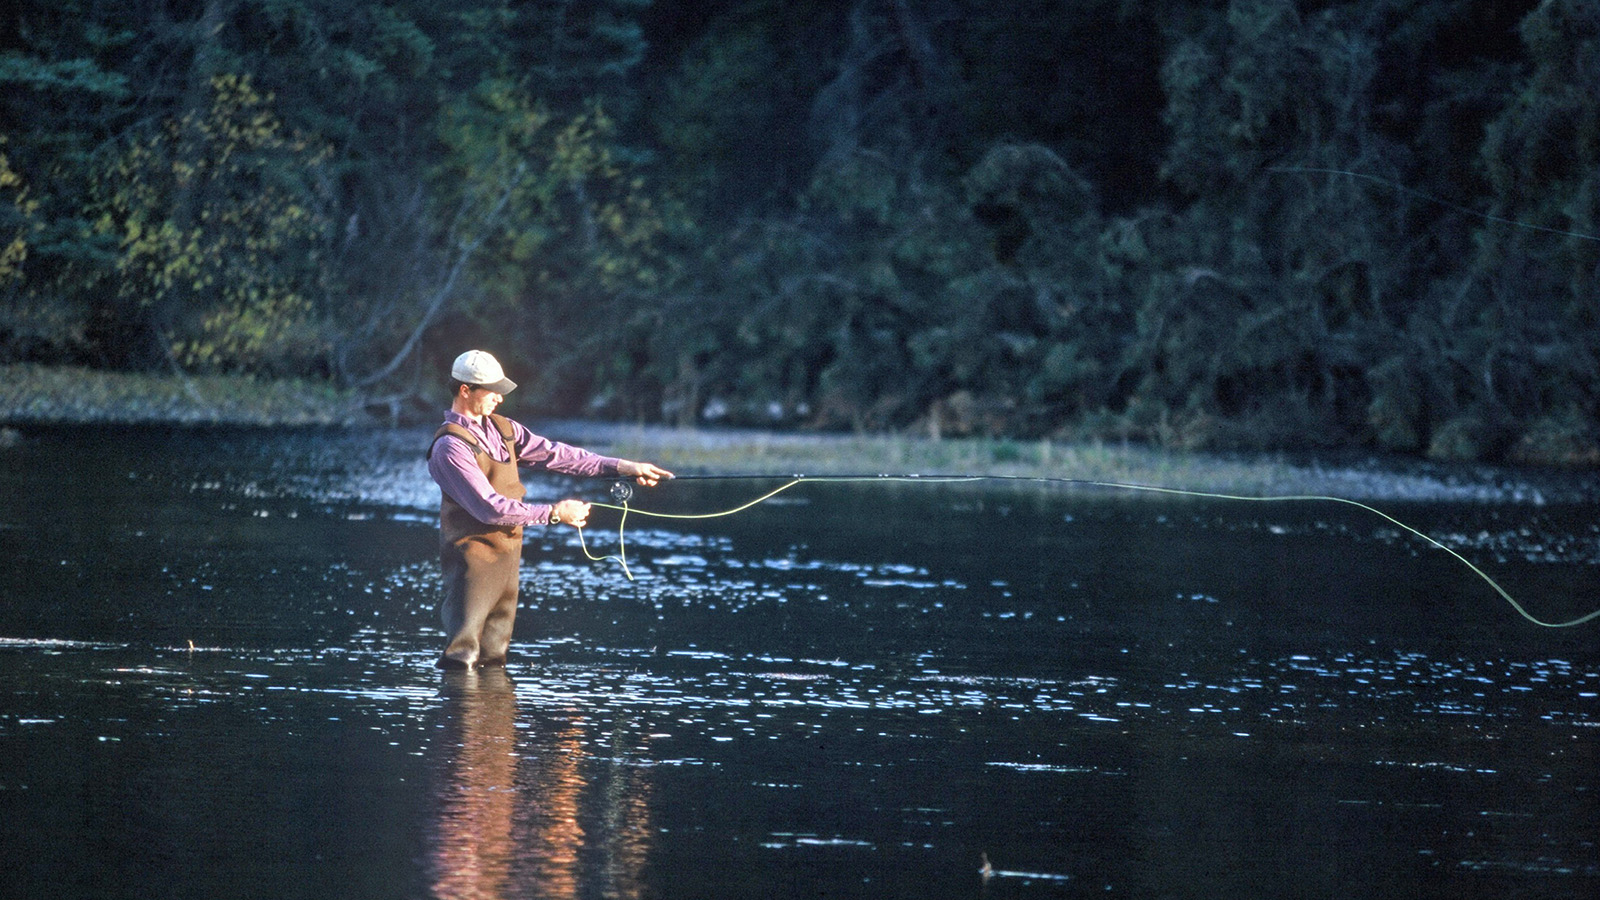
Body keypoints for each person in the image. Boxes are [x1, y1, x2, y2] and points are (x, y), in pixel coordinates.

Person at [425, 349, 673, 669]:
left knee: (494, 656)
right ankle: (457, 717)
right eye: (492, 391)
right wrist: (556, 513)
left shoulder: (503, 430)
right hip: (471, 560)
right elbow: (491, 509)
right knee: (462, 655)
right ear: (464, 390)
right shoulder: (450, 447)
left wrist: (622, 466)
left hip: (507, 555)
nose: (500, 399)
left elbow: (558, 456)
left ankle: (494, 721)